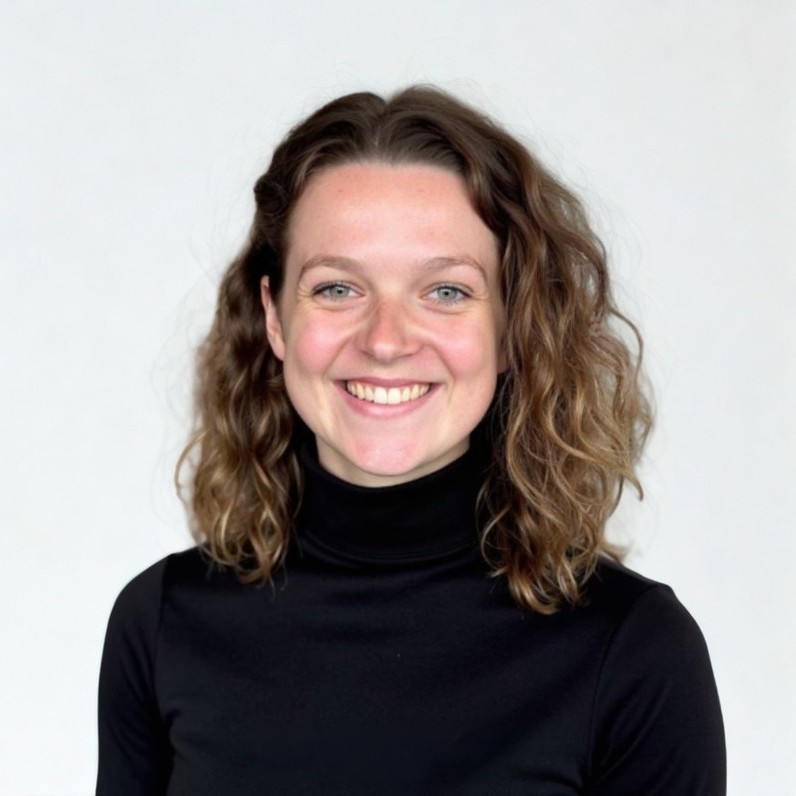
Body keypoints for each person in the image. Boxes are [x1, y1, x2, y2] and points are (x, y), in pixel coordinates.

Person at [96, 86, 726, 795]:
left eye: (446, 291)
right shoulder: (162, 627)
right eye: (337, 288)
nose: (386, 341)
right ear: (274, 318)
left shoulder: (633, 651)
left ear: (513, 327)